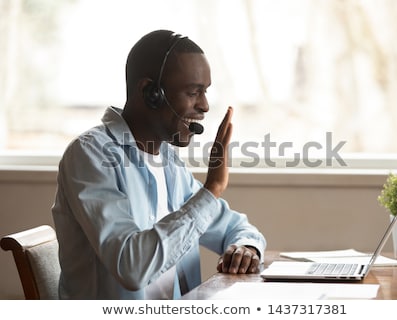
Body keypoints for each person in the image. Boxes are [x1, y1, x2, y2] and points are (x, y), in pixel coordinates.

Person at [51, 29, 266, 299]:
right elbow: (132, 267)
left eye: (205, 92)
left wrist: (246, 248)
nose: (205, 106)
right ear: (150, 92)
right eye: (193, 92)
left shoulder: (169, 164)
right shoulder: (90, 156)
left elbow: (236, 228)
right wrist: (211, 189)